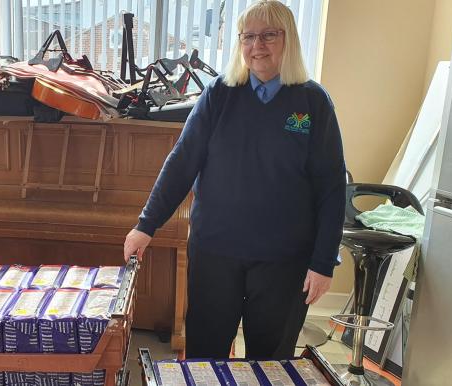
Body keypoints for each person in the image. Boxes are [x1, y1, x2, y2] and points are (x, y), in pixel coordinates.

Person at [123, 0, 345, 360]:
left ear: (288, 41)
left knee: (270, 360)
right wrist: (146, 225)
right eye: (249, 36)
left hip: (284, 260)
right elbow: (182, 161)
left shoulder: (313, 102)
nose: (257, 45)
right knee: (205, 355)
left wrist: (323, 262)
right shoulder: (219, 94)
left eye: (269, 35)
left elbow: (332, 189)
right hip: (216, 252)